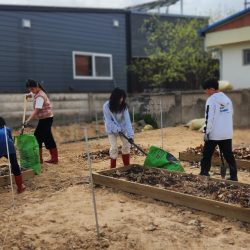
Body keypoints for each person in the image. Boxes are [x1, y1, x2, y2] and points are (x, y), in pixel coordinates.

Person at [200, 79, 238, 181]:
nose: (206, 92)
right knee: (229, 155)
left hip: (214, 134)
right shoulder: (227, 99)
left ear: (212, 89)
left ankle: (204, 172)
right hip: (226, 133)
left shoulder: (211, 100)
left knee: (207, 154)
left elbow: (209, 118)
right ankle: (234, 176)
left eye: (207, 90)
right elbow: (231, 114)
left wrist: (206, 132)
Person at [25, 79, 58, 164]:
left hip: (46, 119)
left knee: (37, 137)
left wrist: (28, 120)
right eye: (29, 89)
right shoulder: (37, 92)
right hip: (46, 118)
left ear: (37, 87)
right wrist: (29, 95)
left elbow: (36, 110)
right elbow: (33, 93)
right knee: (48, 138)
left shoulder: (40, 97)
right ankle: (54, 159)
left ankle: (39, 160)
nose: (31, 91)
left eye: (31, 89)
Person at [103, 88, 134, 168]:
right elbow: (108, 121)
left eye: (122, 98)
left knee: (127, 145)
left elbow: (128, 121)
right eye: (120, 98)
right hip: (111, 130)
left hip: (123, 129)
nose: (121, 100)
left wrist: (130, 136)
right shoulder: (106, 106)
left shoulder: (124, 107)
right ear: (114, 98)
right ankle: (112, 168)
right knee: (114, 148)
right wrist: (116, 128)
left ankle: (126, 167)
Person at [0, 117, 26, 193]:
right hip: (9, 148)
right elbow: (10, 139)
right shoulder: (7, 129)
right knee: (15, 165)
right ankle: (20, 186)